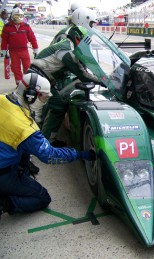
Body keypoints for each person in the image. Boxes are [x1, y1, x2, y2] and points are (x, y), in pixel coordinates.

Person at [0, 73, 96, 217]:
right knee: (42, 197)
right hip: (3, 174)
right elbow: (49, 155)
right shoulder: (26, 129)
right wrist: (79, 154)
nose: (45, 102)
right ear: (31, 96)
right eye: (44, 97)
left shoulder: (3, 99)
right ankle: (4, 203)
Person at [27, 25, 101, 147]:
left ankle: (45, 139)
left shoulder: (67, 44)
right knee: (56, 106)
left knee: (52, 106)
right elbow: (83, 75)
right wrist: (103, 81)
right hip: (38, 78)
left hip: (39, 77)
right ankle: (44, 142)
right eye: (83, 40)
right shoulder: (68, 50)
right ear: (78, 38)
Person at [1, 8, 38, 85]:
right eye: (16, 15)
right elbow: (4, 40)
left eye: (20, 15)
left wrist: (35, 49)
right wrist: (3, 51)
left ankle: (27, 83)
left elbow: (32, 38)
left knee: (27, 67)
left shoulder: (26, 26)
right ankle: (19, 84)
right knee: (15, 68)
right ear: (12, 16)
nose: (18, 17)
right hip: (13, 51)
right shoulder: (7, 27)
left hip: (24, 50)